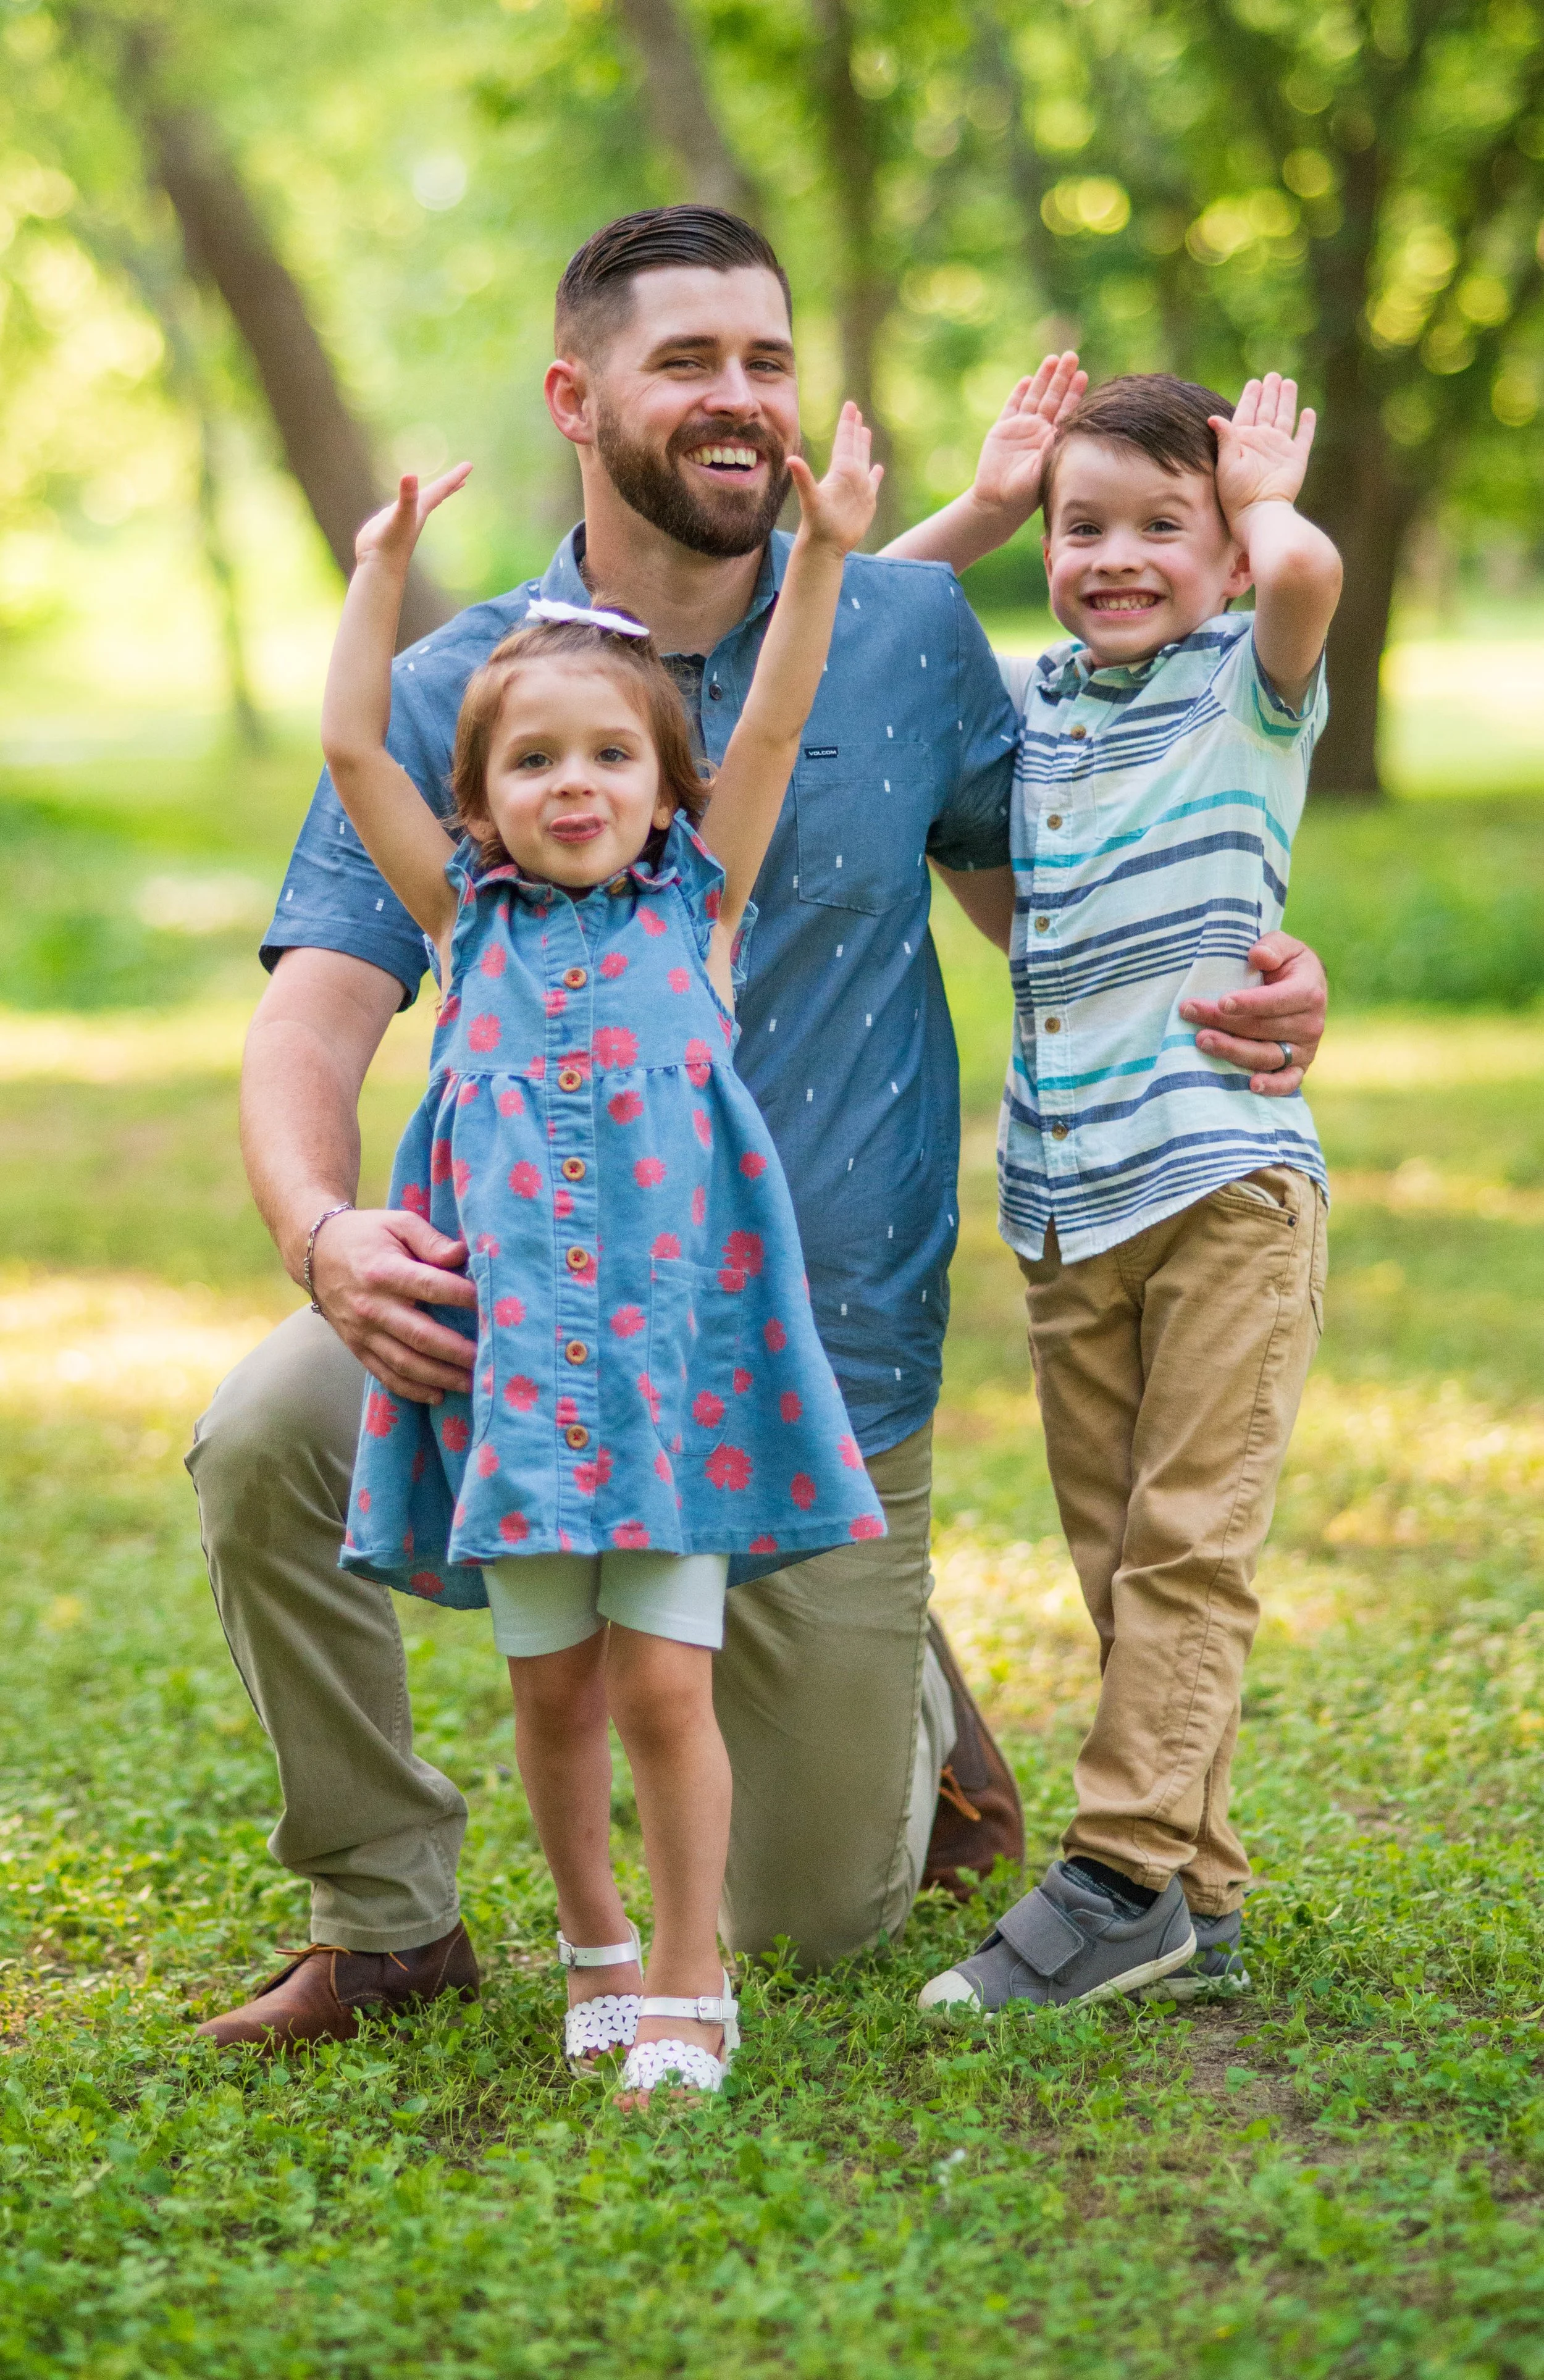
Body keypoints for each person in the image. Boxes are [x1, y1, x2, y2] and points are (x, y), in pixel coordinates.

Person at [186, 209, 1329, 2052]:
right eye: (688, 360)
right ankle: (387, 1910)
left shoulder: (900, 631)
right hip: (526, 1321)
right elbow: (309, 1013)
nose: (739, 396)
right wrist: (325, 1233)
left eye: (767, 360)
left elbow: (1049, 896)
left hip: (821, 1373)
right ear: (576, 395)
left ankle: (909, 1716)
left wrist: (1256, 979)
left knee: (811, 1920)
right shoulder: (461, 691)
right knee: (261, 1434)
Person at [316, 410, 885, 2097]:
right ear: (481, 798)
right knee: (552, 1692)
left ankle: (691, 1983)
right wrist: (379, 575)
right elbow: (355, 747)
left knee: (659, 1688)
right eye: (533, 762)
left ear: (661, 786)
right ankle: (596, 1948)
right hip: (510, 1381)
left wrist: (830, 551)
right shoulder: (461, 922)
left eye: (611, 758)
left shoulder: (697, 918)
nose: (576, 785)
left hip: (667, 1388)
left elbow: (772, 711)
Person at [886, 367, 1340, 2016]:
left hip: (1220, 1177)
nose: (1115, 554)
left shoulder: (1244, 683)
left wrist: (1269, 492)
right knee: (1113, 1557)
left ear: (1221, 556)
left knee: (1183, 1548)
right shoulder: (1044, 707)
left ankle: (1115, 1872)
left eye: (1165, 524)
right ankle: (1195, 1899)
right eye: (1084, 527)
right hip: (1066, 1204)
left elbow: (1302, 579)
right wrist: (993, 502)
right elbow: (884, 631)